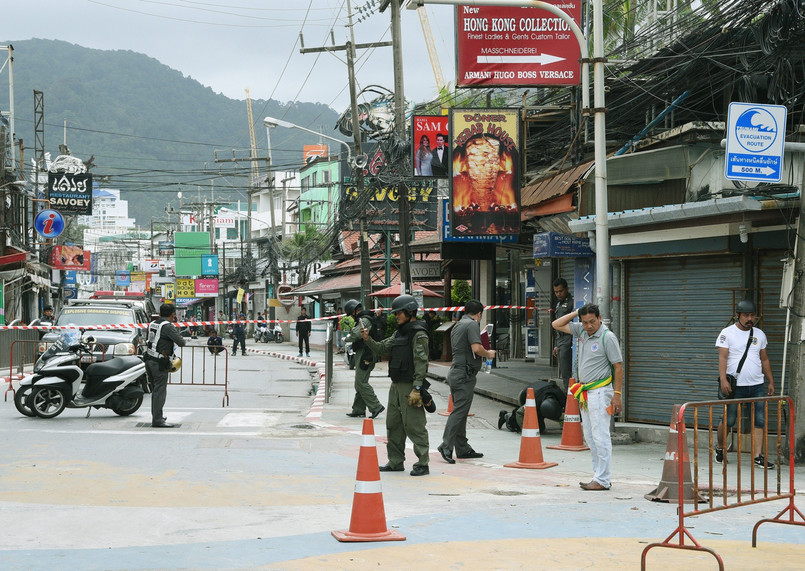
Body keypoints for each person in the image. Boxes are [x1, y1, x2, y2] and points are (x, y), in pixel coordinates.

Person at [552, 303, 624, 491]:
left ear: (600, 318)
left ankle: (603, 479)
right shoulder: (581, 332)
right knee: (591, 437)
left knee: (601, 436)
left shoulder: (607, 338)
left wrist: (617, 395)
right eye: (584, 322)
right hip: (585, 392)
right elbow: (556, 324)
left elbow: (618, 366)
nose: (589, 326)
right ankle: (598, 476)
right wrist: (577, 312)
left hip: (601, 391)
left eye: (592, 321)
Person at [361, 294, 431, 476]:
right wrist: (368, 339)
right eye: (395, 313)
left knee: (414, 425)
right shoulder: (400, 332)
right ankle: (395, 461)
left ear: (410, 312)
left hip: (410, 386)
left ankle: (423, 463)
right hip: (396, 385)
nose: (396, 316)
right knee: (393, 425)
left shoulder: (419, 333)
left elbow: (421, 362)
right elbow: (383, 348)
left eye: (399, 313)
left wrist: (417, 388)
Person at [715, 300, 776, 468]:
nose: (750, 319)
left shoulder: (759, 334)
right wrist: (723, 380)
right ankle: (720, 448)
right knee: (729, 419)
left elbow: (764, 359)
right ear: (738, 316)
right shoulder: (727, 333)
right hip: (735, 386)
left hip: (757, 385)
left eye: (752, 315)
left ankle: (757, 456)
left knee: (759, 420)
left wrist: (770, 381)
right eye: (746, 315)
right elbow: (723, 358)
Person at [437, 299, 495, 464]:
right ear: (479, 314)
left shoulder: (459, 324)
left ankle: (462, 447)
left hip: (456, 372)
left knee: (460, 411)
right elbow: (477, 348)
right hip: (464, 374)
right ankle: (446, 445)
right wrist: (489, 353)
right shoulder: (471, 325)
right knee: (459, 412)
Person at [144, 303, 186, 428]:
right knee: (160, 391)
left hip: (149, 359)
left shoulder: (153, 324)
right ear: (173, 314)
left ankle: (157, 416)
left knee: (155, 391)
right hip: (159, 363)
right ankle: (157, 420)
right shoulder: (167, 327)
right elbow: (181, 342)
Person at [343, 299, 385, 419]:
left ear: (353, 311)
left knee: (361, 382)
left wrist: (346, 339)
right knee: (359, 382)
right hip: (365, 352)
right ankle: (358, 409)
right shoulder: (364, 318)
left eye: (351, 314)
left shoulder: (364, 319)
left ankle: (376, 406)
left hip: (366, 353)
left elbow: (356, 334)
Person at [498, 379, 566, 434]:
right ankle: (506, 416)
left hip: (539, 390)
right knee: (536, 429)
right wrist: (525, 430)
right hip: (525, 394)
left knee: (541, 428)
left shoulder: (561, 396)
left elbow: (562, 414)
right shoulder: (534, 401)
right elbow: (519, 413)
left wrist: (563, 424)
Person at [552, 278, 574, 390]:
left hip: (568, 340)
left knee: (567, 372)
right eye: (556, 292)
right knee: (564, 371)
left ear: (567, 289)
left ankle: (571, 400)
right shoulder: (559, 303)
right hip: (560, 340)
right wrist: (556, 344)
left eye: (560, 291)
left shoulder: (571, 303)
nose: (558, 294)